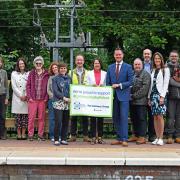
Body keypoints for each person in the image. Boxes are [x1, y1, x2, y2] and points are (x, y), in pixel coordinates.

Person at [106, 48, 133, 147]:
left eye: (119, 55)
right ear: (114, 56)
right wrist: (109, 87)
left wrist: (119, 85)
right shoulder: (110, 67)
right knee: (116, 117)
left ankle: (125, 139)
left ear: (123, 55)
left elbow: (130, 81)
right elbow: (107, 82)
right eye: (116, 55)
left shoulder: (128, 67)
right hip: (113, 96)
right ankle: (119, 138)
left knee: (124, 117)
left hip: (124, 96)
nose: (118, 56)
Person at [148, 52, 170, 146]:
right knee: (155, 117)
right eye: (155, 58)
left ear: (161, 59)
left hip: (160, 95)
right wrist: (149, 97)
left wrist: (162, 96)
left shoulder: (165, 70)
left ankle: (161, 138)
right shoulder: (153, 70)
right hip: (153, 96)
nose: (157, 60)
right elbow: (151, 85)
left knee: (160, 116)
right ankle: (157, 137)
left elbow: (166, 84)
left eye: (158, 58)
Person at [26, 56, 49, 141]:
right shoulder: (31, 73)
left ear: (42, 64)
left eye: (40, 63)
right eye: (37, 63)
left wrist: (46, 97)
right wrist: (29, 97)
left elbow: (48, 87)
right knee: (31, 117)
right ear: (34, 64)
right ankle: (30, 134)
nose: (38, 64)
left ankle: (40, 134)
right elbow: (28, 85)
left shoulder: (46, 74)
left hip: (42, 100)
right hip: (33, 99)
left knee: (41, 118)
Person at [68, 54, 90, 142]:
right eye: (78, 60)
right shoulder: (70, 72)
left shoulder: (88, 73)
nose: (79, 62)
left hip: (85, 98)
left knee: (85, 117)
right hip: (74, 99)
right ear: (75, 61)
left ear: (83, 61)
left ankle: (85, 136)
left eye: (81, 60)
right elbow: (68, 85)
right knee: (73, 117)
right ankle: (73, 136)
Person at [129, 58, 151, 144]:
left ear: (142, 65)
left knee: (142, 119)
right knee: (134, 119)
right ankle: (135, 135)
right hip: (132, 101)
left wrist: (133, 96)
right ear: (133, 65)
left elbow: (144, 89)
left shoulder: (146, 74)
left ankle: (142, 136)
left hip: (141, 102)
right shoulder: (132, 74)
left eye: (139, 64)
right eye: (135, 64)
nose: (137, 66)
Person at [86, 58, 107, 144]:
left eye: (98, 63)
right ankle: (93, 137)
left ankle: (100, 137)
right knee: (93, 119)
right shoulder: (89, 73)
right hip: (92, 99)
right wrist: (92, 85)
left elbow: (107, 85)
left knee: (100, 119)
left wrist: (103, 86)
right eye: (95, 63)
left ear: (100, 64)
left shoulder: (105, 73)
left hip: (101, 99)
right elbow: (86, 84)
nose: (97, 65)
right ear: (93, 64)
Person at [52, 63, 71, 145]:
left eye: (64, 68)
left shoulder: (69, 78)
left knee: (66, 121)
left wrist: (70, 97)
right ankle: (56, 139)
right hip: (58, 102)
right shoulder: (55, 79)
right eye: (61, 68)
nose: (63, 69)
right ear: (59, 69)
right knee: (58, 121)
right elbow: (55, 91)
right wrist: (63, 97)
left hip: (67, 103)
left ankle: (63, 139)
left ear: (66, 69)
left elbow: (72, 89)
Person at [11, 58, 29, 140]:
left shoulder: (28, 73)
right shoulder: (14, 73)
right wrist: (20, 95)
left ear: (25, 64)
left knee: (25, 117)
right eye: (20, 64)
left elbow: (29, 85)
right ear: (18, 65)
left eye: (23, 63)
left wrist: (25, 95)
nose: (21, 65)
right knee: (18, 117)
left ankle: (23, 134)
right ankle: (18, 134)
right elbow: (13, 86)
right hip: (17, 98)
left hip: (26, 98)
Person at [166, 50, 180, 144]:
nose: (174, 57)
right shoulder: (166, 67)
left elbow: (172, 81)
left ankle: (177, 135)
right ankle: (170, 135)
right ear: (169, 57)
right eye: (172, 56)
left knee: (179, 117)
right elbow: (168, 81)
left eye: (175, 56)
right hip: (170, 96)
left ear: (178, 58)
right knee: (170, 117)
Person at [143, 49, 155, 142]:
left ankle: (152, 135)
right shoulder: (139, 64)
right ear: (143, 55)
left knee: (152, 116)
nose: (146, 55)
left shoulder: (155, 65)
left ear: (151, 55)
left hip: (152, 94)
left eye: (148, 54)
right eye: (145, 54)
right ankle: (142, 135)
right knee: (142, 116)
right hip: (142, 95)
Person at [47, 62, 59, 142]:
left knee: (60, 119)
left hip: (61, 100)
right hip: (52, 100)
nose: (54, 69)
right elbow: (48, 90)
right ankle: (52, 135)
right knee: (52, 118)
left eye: (56, 67)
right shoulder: (50, 78)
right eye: (53, 68)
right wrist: (53, 97)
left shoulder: (63, 77)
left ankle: (60, 135)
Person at [0, 56, 9, 140]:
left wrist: (7, 97)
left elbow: (6, 85)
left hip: (2, 96)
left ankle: (2, 134)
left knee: (2, 115)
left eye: (0, 61)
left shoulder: (4, 72)